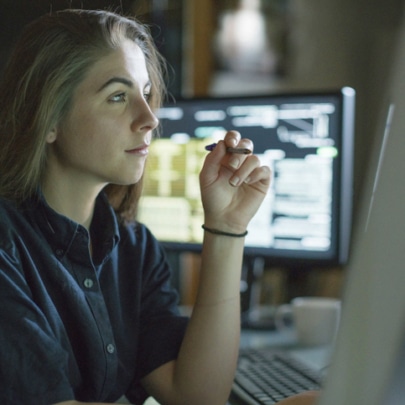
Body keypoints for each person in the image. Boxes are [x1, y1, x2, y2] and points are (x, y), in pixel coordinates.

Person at [0, 8, 316, 405]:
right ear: (47, 118)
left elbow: (196, 397)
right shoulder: (6, 247)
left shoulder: (134, 247)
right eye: (118, 96)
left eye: (146, 93)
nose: (149, 118)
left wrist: (227, 226)